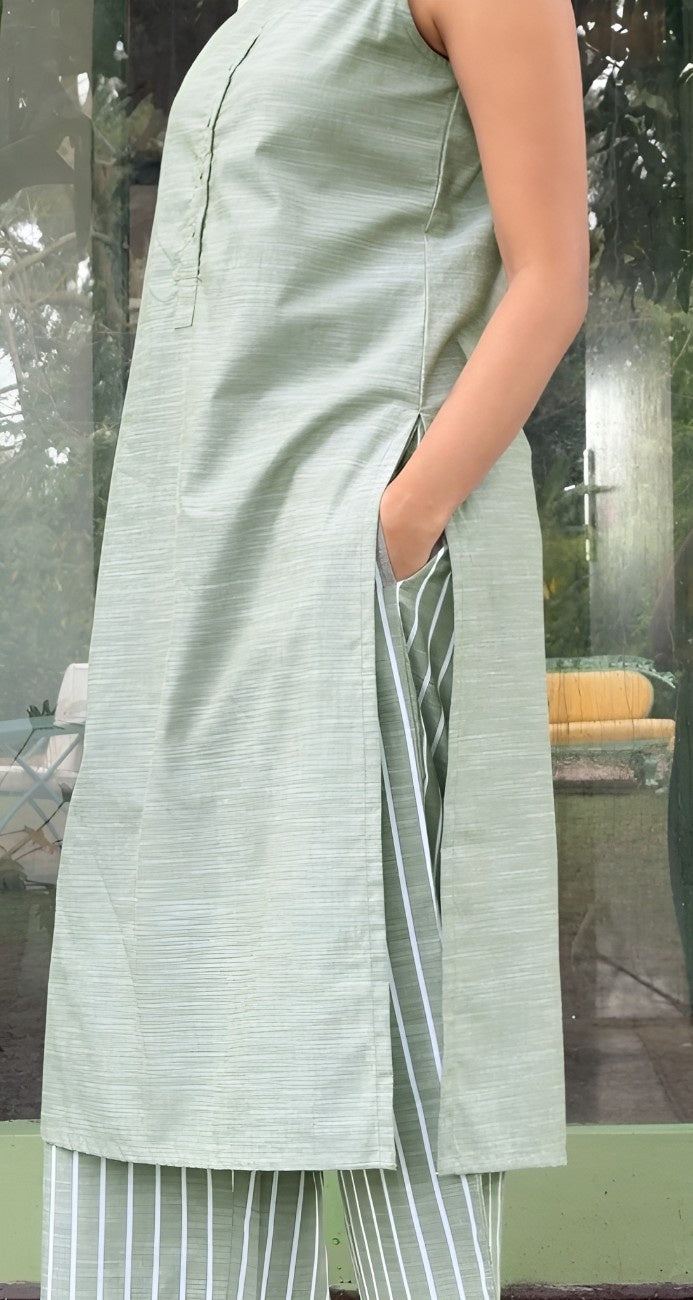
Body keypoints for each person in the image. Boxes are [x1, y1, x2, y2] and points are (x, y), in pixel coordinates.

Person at [39, 0, 589, 1294]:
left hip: (350, 568)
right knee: (180, 994)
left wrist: (395, 525)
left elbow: (551, 275)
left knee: (399, 1015)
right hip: (203, 587)